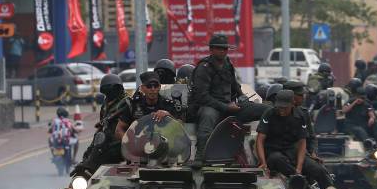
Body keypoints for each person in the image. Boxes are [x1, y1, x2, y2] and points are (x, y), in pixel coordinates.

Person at [256, 90, 341, 189]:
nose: (281, 110)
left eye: (285, 108)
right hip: (273, 151)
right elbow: (260, 140)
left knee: (319, 170)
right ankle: (304, 186)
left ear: (292, 104)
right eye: (279, 107)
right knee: (277, 160)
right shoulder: (269, 114)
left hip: (293, 150)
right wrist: (263, 163)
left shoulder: (300, 116)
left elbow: (302, 143)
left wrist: (300, 167)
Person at [189, 34, 269, 163]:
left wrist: (243, 97)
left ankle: (268, 150)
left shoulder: (227, 64)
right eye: (219, 48)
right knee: (207, 117)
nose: (223, 51)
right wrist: (225, 107)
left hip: (229, 105)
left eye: (225, 49)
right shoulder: (204, 68)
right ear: (211, 49)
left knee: (267, 110)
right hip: (210, 106)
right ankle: (200, 154)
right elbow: (202, 96)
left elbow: (234, 85)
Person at [72, 74, 130, 177]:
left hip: (121, 141)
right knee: (89, 151)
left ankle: (89, 168)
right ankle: (85, 169)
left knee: (98, 156)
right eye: (107, 90)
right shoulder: (106, 105)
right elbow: (102, 126)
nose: (110, 92)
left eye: (113, 89)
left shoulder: (127, 103)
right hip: (106, 140)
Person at [115, 71, 179, 141]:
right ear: (142, 88)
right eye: (149, 86)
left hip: (164, 147)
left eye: (155, 85)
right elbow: (119, 129)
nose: (153, 89)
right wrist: (130, 143)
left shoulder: (168, 105)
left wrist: (168, 115)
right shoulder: (133, 105)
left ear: (159, 87)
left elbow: (180, 127)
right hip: (139, 148)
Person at [284, 80, 318, 161]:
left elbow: (311, 137)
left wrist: (312, 152)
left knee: (319, 170)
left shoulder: (304, 113)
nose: (303, 97)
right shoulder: (277, 112)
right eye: (300, 95)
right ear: (291, 96)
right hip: (283, 152)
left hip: (301, 152)